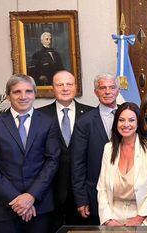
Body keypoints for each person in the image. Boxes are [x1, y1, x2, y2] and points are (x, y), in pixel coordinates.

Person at [0, 74, 60, 233]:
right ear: (8, 96)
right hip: (4, 206)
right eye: (17, 92)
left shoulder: (48, 121)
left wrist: (31, 196)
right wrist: (16, 200)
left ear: (35, 94)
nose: (23, 96)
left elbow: (52, 161)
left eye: (28, 91)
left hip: (39, 205)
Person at [38, 70, 93, 231]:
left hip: (83, 192)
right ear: (52, 88)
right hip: (50, 192)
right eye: (59, 84)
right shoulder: (40, 115)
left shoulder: (90, 114)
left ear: (76, 87)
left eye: (69, 84)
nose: (65, 88)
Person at [97, 102, 147, 226]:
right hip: (113, 219)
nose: (126, 124)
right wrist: (108, 220)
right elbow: (102, 189)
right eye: (121, 120)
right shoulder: (109, 148)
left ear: (138, 123)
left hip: (143, 218)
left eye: (131, 120)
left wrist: (139, 218)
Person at [71, 73, 120, 225]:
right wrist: (81, 198)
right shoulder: (84, 122)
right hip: (96, 195)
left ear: (118, 91)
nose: (107, 92)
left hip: (128, 194)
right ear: (96, 92)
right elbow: (77, 163)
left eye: (112, 87)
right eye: (102, 88)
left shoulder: (130, 117)